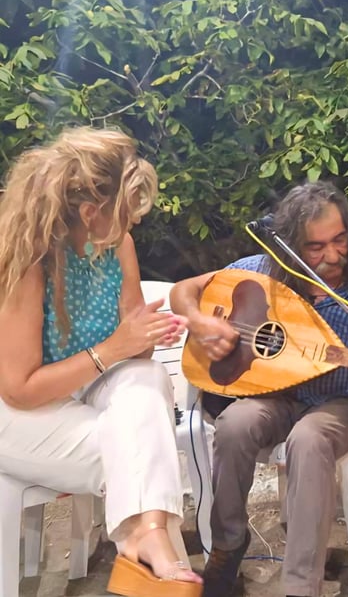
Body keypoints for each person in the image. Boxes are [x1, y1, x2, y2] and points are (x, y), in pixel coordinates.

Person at [170, 180, 348, 597]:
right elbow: (183, 290)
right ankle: (227, 544)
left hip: (343, 401)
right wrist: (200, 321)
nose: (333, 255)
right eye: (316, 247)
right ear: (291, 246)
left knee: (309, 439)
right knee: (233, 425)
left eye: (340, 240)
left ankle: (301, 587)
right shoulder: (260, 271)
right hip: (275, 394)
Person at [0, 127, 203, 597]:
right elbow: (19, 389)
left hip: (86, 396)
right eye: (127, 214)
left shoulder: (118, 248)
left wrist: (145, 338)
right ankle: (152, 545)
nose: (132, 225)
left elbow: (133, 353)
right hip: (16, 415)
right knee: (141, 456)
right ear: (91, 212)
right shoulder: (28, 260)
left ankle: (144, 539)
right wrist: (114, 347)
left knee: (146, 376)